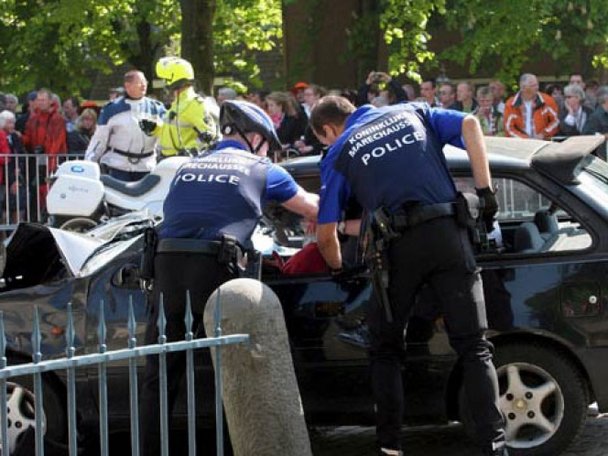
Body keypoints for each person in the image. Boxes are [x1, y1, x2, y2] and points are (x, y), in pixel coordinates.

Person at [309, 95, 506, 456]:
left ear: (328, 130)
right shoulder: (412, 110)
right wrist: (485, 192)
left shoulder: (338, 152)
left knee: (385, 350)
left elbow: (325, 236)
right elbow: (470, 124)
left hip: (398, 251)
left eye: (324, 139)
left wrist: (339, 270)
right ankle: (495, 447)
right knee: (475, 348)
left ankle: (390, 447)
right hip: (449, 235)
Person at [140, 99, 319, 455]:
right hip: (214, 268)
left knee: (159, 376)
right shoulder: (261, 168)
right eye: (267, 142)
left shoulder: (189, 166)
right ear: (253, 137)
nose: (268, 150)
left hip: (166, 266)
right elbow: (312, 207)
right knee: (229, 372)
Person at [85, 70, 165, 181]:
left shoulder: (157, 109)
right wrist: (88, 163)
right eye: (140, 82)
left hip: (147, 167)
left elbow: (164, 137)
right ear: (128, 85)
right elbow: (99, 139)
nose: (144, 85)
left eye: (145, 82)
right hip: (117, 167)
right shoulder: (111, 109)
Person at [141, 56, 217, 158]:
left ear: (173, 78)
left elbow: (209, 136)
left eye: (166, 79)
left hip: (182, 162)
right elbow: (175, 132)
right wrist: (155, 128)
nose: (164, 83)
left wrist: (191, 149)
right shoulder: (178, 102)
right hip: (167, 160)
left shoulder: (194, 104)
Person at [23, 88, 67, 219]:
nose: (40, 102)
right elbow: (29, 139)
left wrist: (50, 163)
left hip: (51, 161)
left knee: (49, 192)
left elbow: (56, 142)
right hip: (38, 160)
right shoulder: (33, 118)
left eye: (43, 100)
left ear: (50, 101)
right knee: (38, 193)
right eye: (39, 100)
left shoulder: (57, 119)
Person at [504, 73, 559, 139]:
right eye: (533, 85)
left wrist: (543, 134)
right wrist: (524, 139)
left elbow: (556, 122)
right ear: (523, 88)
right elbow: (509, 128)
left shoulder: (547, 100)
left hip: (542, 142)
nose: (537, 87)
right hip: (519, 144)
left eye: (537, 84)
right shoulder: (511, 104)